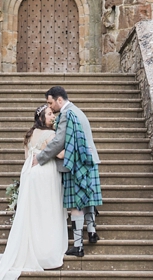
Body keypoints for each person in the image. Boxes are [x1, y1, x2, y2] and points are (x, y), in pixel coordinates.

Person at [0, 105, 66, 280]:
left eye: (53, 114)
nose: (53, 117)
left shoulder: (29, 135)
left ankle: (31, 247)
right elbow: (60, 155)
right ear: (41, 118)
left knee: (32, 212)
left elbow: (27, 157)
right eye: (49, 114)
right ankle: (45, 252)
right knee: (46, 210)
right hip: (45, 173)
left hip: (29, 173)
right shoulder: (50, 135)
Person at [34, 85, 102, 257]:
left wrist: (41, 158)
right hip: (90, 159)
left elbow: (58, 142)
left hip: (77, 163)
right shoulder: (78, 111)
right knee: (87, 195)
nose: (50, 107)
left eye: (50, 103)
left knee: (76, 203)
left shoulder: (66, 114)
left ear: (59, 99)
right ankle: (92, 232)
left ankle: (78, 246)